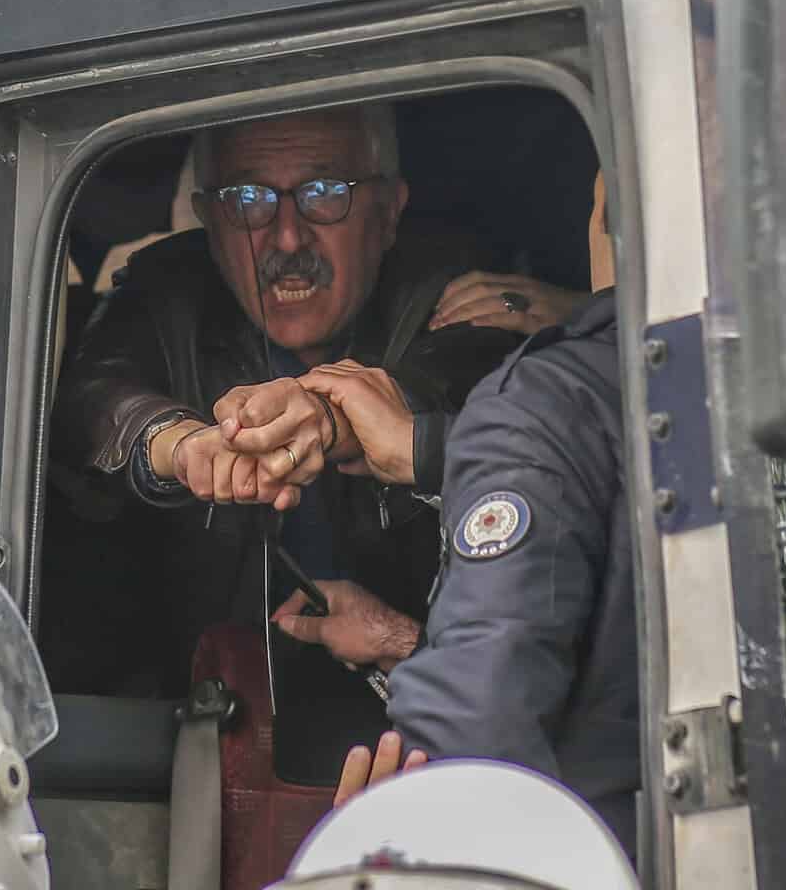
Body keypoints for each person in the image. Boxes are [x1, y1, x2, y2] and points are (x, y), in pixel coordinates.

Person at [47, 104, 581, 730]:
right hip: (205, 733)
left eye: (325, 194)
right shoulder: (166, 294)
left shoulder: (458, 288)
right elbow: (97, 397)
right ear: (210, 220)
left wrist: (335, 419)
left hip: (430, 732)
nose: (288, 238)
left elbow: (455, 383)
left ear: (387, 213)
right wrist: (182, 445)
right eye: (249, 199)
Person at [272, 170, 638, 854]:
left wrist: (398, 846)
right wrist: (398, 639)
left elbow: (478, 725)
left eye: (327, 191)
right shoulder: (765, 387)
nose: (287, 232)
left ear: (608, 210)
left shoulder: (549, 398)